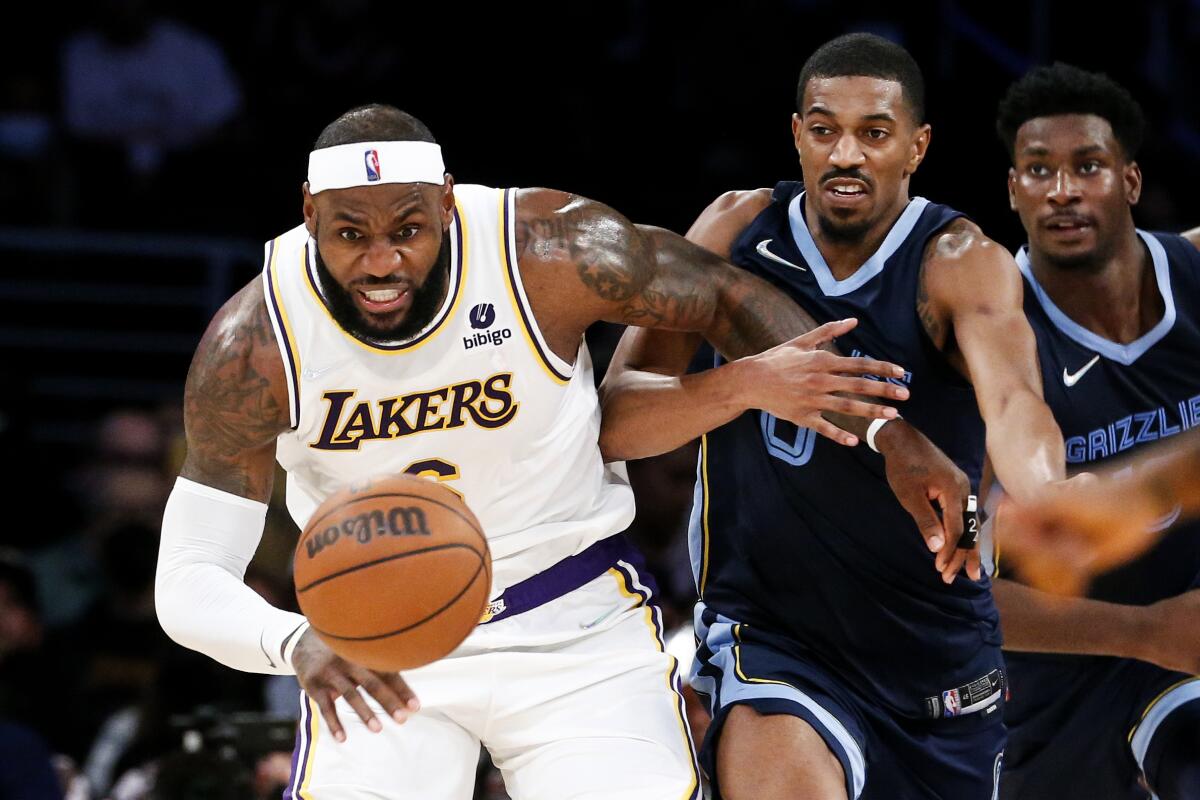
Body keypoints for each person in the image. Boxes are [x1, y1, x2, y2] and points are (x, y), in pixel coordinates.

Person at [153, 103, 909, 799]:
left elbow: (720, 293)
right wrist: (294, 641)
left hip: (569, 622)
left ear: (448, 204)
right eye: (351, 234)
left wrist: (880, 437)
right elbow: (187, 579)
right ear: (309, 213)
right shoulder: (254, 343)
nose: (381, 262)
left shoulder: (547, 249)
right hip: (375, 645)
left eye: (408, 230)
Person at [600, 33, 1069, 799]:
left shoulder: (957, 260)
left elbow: (1016, 403)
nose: (846, 154)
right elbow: (616, 419)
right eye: (825, 130)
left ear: (916, 146)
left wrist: (1049, 494)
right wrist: (749, 384)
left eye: (874, 134)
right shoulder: (734, 234)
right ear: (797, 135)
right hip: (772, 646)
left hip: (937, 664)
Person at [984, 62, 1200, 800]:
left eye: (1088, 166)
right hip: (1063, 677)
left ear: (1131, 181)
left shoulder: (1196, 273)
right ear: (1013, 192)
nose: (1062, 189)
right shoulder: (983, 334)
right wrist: (1143, 631)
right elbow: (957, 596)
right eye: (1038, 170)